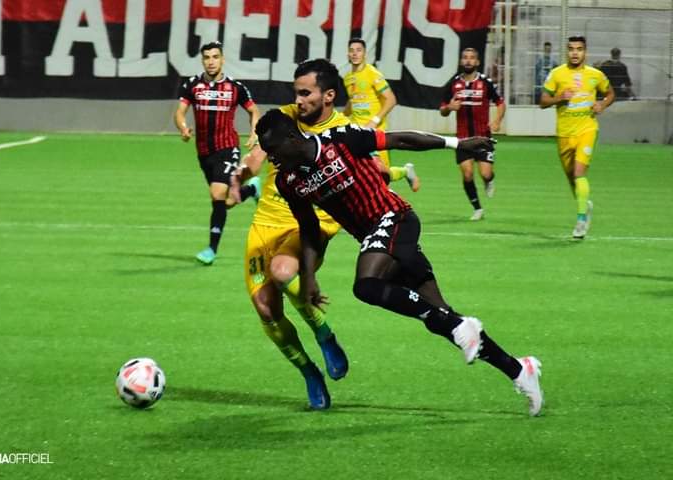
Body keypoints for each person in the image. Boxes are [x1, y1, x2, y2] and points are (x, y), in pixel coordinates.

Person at [255, 109, 544, 416]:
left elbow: (402, 140)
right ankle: (518, 369)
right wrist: (310, 276)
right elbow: (309, 228)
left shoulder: (340, 140)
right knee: (443, 319)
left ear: (290, 137)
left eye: (273, 151)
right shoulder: (289, 181)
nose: (271, 159)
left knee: (366, 286)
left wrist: (456, 144)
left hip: (396, 219)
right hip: (380, 240)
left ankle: (462, 327)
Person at [229, 59, 351, 410]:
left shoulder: (343, 131)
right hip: (266, 222)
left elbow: (370, 169)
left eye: (305, 92)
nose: (298, 100)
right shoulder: (283, 117)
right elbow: (255, 156)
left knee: (283, 272)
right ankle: (309, 372)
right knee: (265, 308)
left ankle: (324, 334)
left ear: (327, 96)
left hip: (312, 221)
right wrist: (240, 177)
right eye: (295, 92)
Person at [174, 41, 261, 265]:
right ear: (202, 60)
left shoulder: (235, 88)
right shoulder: (192, 85)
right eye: (207, 57)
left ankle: (211, 249)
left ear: (222, 59)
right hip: (204, 152)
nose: (211, 61)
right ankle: (251, 189)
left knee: (216, 195)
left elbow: (254, 110)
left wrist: (254, 133)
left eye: (215, 57)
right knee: (227, 201)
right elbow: (179, 113)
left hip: (227, 147)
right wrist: (183, 127)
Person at [540, 36, 615, 239]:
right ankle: (585, 205)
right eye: (571, 49)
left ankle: (581, 220)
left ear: (585, 52)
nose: (575, 53)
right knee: (572, 179)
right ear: (567, 52)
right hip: (564, 133)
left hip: (587, 130)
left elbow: (609, 93)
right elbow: (543, 101)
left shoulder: (595, 75)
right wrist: (559, 98)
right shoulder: (557, 74)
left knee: (579, 173)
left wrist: (602, 104)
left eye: (579, 49)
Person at [344, 38, 420, 192]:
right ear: (348, 53)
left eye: (358, 50)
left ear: (365, 53)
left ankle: (406, 171)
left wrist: (374, 121)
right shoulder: (347, 78)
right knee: (360, 175)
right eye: (352, 50)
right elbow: (352, 101)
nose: (355, 53)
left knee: (382, 177)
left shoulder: (372, 73)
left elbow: (391, 99)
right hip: (357, 133)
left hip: (376, 133)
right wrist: (341, 118)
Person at [440, 47, 506, 221]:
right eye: (465, 58)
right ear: (461, 61)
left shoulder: (485, 82)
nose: (468, 61)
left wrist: (498, 120)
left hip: (483, 136)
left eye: (472, 58)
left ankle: (489, 180)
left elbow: (500, 103)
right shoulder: (453, 83)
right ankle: (477, 208)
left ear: (477, 62)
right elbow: (442, 109)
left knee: (485, 173)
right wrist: (449, 108)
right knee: (467, 174)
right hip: (462, 139)